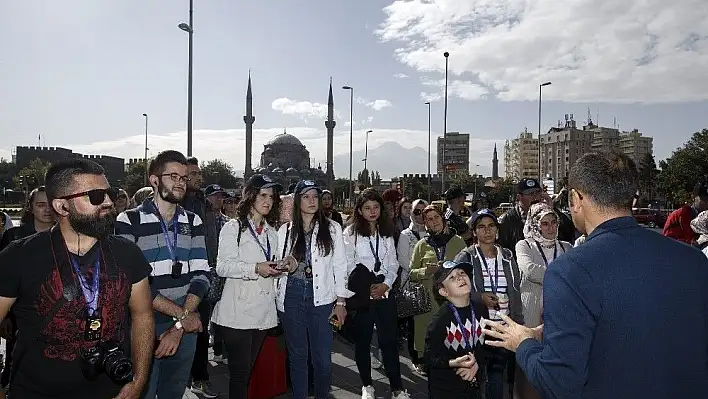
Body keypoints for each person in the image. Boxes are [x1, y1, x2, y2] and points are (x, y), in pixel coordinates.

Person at [483, 152, 708, 398]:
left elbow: (559, 383)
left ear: (575, 199)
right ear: (632, 197)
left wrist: (523, 343)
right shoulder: (693, 260)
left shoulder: (569, 271)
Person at [0, 158, 154, 398]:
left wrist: (138, 380)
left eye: (109, 193)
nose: (109, 202)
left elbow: (143, 315)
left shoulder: (128, 253)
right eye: (95, 196)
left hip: (112, 392)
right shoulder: (18, 256)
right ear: (62, 207)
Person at [115, 150, 211, 399]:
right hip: (143, 323)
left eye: (184, 177)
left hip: (184, 326)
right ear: (154, 180)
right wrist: (184, 316)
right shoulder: (128, 220)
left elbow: (201, 274)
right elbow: (133, 283)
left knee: (173, 393)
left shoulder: (194, 221)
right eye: (173, 176)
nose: (180, 182)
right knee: (143, 392)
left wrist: (179, 325)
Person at [275, 180, 352, 399]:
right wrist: (284, 264)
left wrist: (341, 302)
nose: (311, 201)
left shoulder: (332, 228)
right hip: (292, 295)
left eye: (315, 197)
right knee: (297, 356)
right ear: (297, 200)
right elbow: (277, 263)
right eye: (306, 196)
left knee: (323, 360)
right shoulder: (285, 230)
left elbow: (340, 266)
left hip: (323, 298)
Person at [210, 174, 283, 399]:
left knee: (248, 371)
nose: (268, 201)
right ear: (250, 196)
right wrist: (255, 268)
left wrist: (282, 265)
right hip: (237, 312)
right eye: (262, 195)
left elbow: (271, 261)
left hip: (262, 312)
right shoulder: (233, 228)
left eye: (271, 196)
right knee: (240, 375)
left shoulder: (272, 232)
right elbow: (222, 267)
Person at [343, 189, 410, 399]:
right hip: (364, 294)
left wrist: (387, 284)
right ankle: (366, 385)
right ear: (360, 211)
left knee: (389, 342)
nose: (372, 212)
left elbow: (393, 263)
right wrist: (370, 288)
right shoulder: (351, 233)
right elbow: (348, 264)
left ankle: (398, 388)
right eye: (367, 208)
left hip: (385, 293)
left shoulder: (387, 231)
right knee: (362, 342)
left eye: (375, 207)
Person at [454, 208, 523, 399]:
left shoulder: (508, 256)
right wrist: (479, 297)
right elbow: (452, 288)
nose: (487, 231)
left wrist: (518, 322)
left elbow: (516, 292)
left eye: (491, 226)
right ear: (474, 232)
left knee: (496, 375)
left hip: (502, 327)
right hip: (476, 327)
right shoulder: (466, 256)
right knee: (474, 375)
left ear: (497, 229)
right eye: (481, 227)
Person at [513, 203, 572, 399]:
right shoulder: (524, 245)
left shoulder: (567, 247)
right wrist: (562, 275)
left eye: (554, 222)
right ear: (535, 224)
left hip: (559, 314)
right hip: (531, 313)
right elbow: (530, 270)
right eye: (545, 224)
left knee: (556, 364)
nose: (551, 228)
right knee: (528, 363)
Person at [0, 186, 56, 388]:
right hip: (18, 316)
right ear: (31, 207)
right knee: (16, 369)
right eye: (40, 205)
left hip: (55, 317)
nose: (47, 210)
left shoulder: (65, 237)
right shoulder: (14, 237)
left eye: (50, 204)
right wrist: (5, 317)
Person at [408, 205, 467, 375]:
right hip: (428, 300)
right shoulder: (421, 245)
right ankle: (426, 362)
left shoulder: (457, 241)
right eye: (429, 219)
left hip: (452, 299)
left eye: (436, 217)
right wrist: (426, 271)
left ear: (443, 218)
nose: (434, 222)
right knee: (428, 335)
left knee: (451, 334)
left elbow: (467, 269)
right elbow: (412, 273)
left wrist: (450, 269)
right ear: (425, 223)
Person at [425, 261, 490, 398]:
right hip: (446, 389)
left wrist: (477, 363)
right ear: (444, 291)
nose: (460, 277)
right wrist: (452, 363)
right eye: (452, 278)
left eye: (462, 273)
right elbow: (429, 358)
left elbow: (487, 345)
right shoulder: (440, 321)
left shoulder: (481, 309)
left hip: (474, 384)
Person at [497, 178, 574, 257]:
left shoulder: (548, 213)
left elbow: (568, 233)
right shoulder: (508, 219)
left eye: (537, 192)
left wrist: (552, 210)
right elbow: (503, 249)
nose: (535, 197)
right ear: (519, 197)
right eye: (530, 193)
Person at [395, 199, 428, 371]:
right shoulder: (405, 235)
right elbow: (402, 259)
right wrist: (422, 270)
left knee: (428, 322)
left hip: (430, 286)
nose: (420, 215)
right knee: (414, 325)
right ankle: (417, 358)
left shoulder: (432, 233)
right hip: (411, 286)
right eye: (416, 211)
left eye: (424, 211)